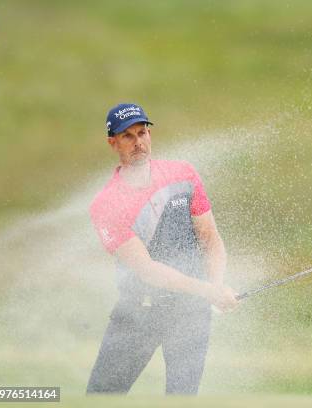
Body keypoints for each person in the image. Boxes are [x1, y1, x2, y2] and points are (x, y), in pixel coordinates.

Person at [86, 103, 238, 394]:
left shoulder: (183, 175)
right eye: (127, 136)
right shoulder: (106, 204)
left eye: (142, 133)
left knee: (182, 397)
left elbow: (210, 238)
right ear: (112, 142)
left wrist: (216, 285)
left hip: (190, 312)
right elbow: (147, 270)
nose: (138, 142)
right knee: (101, 396)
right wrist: (209, 291)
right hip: (138, 312)